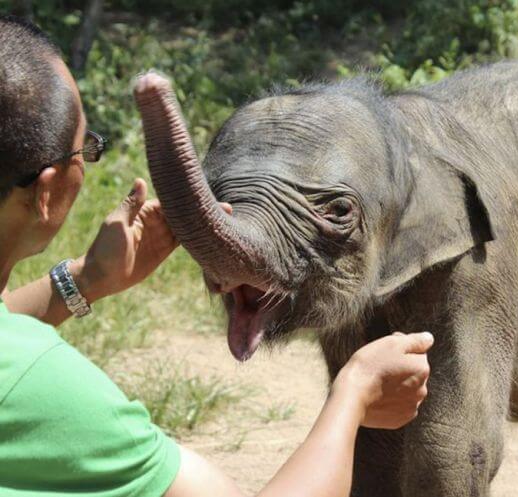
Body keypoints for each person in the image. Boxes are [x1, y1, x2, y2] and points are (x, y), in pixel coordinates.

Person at [0, 15, 432, 497]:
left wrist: (83, 281)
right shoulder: (51, 393)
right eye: (88, 149)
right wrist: (352, 395)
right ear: (46, 193)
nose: (89, 156)